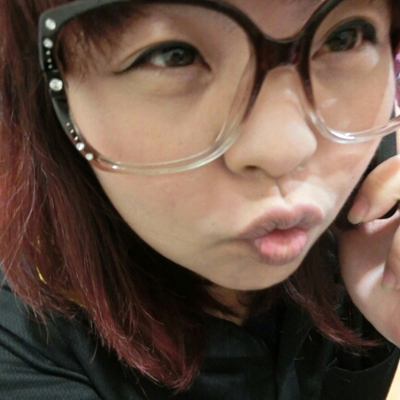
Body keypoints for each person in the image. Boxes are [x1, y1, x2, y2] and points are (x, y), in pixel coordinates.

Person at [1, 0, 400, 398]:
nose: (284, 149)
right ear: (49, 93)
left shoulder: (381, 209)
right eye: (173, 55)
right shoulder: (21, 345)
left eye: (343, 38)